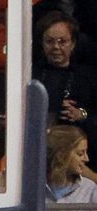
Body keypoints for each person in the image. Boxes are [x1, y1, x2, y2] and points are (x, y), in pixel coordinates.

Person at [34, 11, 97, 154]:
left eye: (62, 41)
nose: (56, 47)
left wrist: (82, 114)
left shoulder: (89, 77)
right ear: (42, 43)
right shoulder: (31, 75)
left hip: (81, 152)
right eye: (50, 41)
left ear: (73, 43)